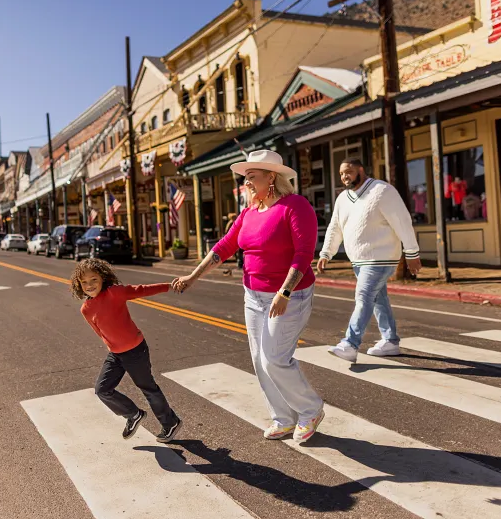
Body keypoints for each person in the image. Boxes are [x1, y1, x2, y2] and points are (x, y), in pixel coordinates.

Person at [172, 150, 324, 443]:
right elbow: (224, 247)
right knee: (258, 359)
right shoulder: (249, 213)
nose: (247, 183)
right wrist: (193, 276)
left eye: (252, 177)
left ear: (272, 177)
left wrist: (285, 291)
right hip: (253, 296)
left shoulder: (295, 206)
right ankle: (283, 418)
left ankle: (310, 409)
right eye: (245, 178)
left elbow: (304, 253)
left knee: (274, 359)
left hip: (289, 296)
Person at [317, 158, 421, 363]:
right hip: (359, 260)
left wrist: (412, 253)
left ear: (361, 170)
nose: (344, 176)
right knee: (378, 300)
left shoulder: (382, 191)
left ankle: (350, 344)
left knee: (364, 296)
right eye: (341, 173)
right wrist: (326, 253)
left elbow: (402, 222)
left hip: (380, 258)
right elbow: (335, 227)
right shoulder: (343, 198)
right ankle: (390, 341)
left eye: (349, 171)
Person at [71, 258, 183, 443]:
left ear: (102, 278)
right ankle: (133, 414)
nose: (89, 285)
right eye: (84, 282)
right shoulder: (86, 309)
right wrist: (114, 348)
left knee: (148, 388)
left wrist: (169, 286)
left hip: (135, 350)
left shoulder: (114, 293)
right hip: (115, 354)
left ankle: (170, 423)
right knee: (102, 390)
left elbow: (142, 290)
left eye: (93, 280)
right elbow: (100, 332)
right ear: (79, 285)